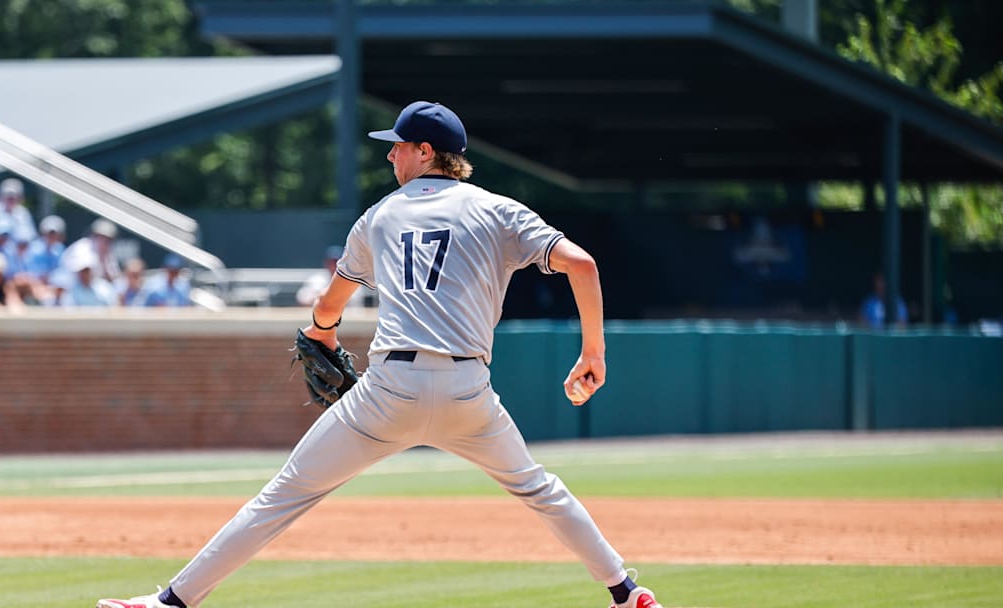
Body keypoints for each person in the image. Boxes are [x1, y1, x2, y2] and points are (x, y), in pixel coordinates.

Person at [97, 101, 662, 608]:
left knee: (285, 495)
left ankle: (172, 603)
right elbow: (583, 266)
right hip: (469, 390)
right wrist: (594, 353)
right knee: (541, 490)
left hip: (390, 389)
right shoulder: (499, 210)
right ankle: (625, 592)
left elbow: (330, 305)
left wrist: (320, 333)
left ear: (426, 152)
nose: (390, 154)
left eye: (397, 144)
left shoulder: (382, 214)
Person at [295, 245, 373, 308]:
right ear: (326, 263)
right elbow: (303, 299)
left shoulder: (352, 278)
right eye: (331, 262)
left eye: (337, 262)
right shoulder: (317, 279)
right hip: (320, 321)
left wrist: (324, 297)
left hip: (348, 322)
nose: (334, 265)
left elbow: (353, 302)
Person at [59, 217, 120, 282]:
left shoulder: (109, 255)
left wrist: (104, 261)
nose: (104, 240)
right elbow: (81, 272)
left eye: (108, 239)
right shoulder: (83, 246)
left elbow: (115, 279)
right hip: (70, 282)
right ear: (94, 235)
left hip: (92, 288)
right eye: (101, 236)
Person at [0, 178, 37, 243]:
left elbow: (30, 236)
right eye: (8, 196)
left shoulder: (23, 213)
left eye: (13, 197)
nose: (11, 200)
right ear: (0, 195)